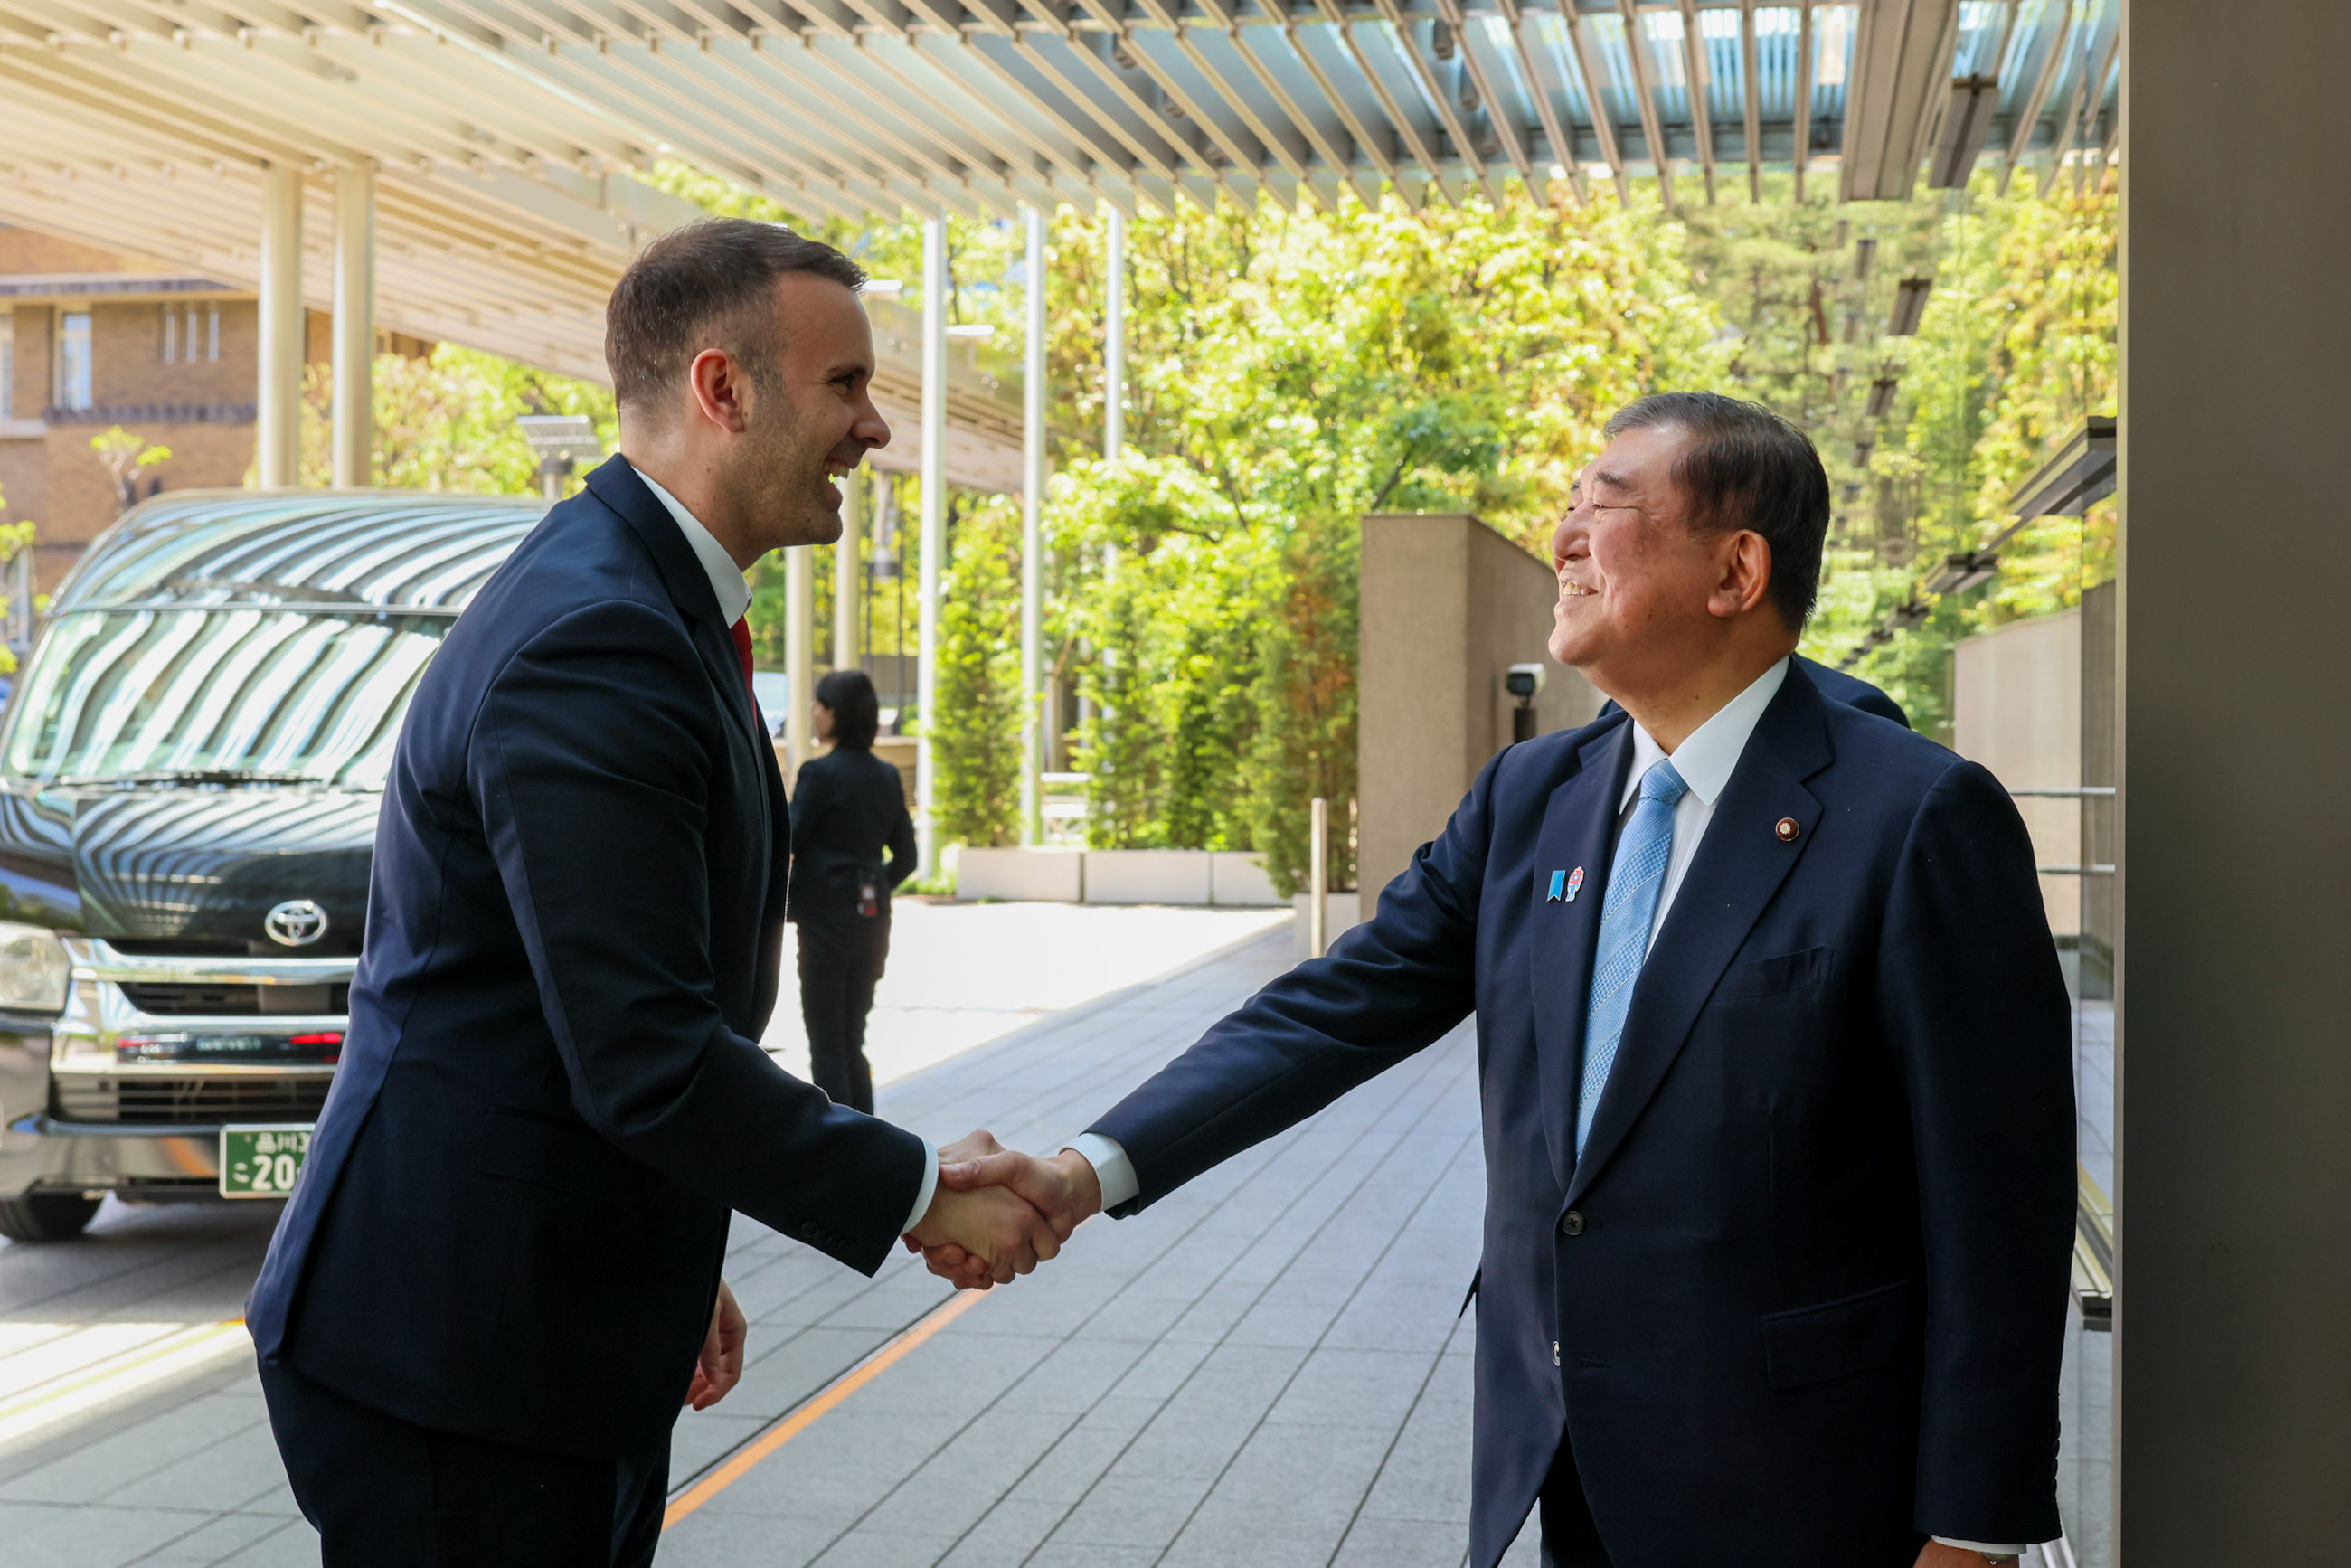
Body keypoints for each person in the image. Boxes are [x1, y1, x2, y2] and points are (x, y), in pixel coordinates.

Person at [925, 393, 2075, 1568]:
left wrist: (1973, 1530)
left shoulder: (1916, 816)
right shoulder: (1533, 800)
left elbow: (2000, 1205)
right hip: (1568, 1456)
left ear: (1737, 569)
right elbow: (1332, 1009)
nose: (1567, 535)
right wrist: (1080, 1172)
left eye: (1608, 505)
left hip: (1808, 1486)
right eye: (1568, 503)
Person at [244, 219, 1059, 1568]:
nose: (878, 430)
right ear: (722, 388)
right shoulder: (599, 634)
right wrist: (920, 1190)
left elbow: (577, 1013)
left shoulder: (648, 605)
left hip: (539, 1318)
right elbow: (644, 1048)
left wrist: (664, 1257)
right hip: (457, 1359)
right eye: (849, 385)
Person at [789, 667, 915, 1114]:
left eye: (819, 705)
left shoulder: (819, 774)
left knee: (826, 1043)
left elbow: (788, 837)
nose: (813, 713)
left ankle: (841, 1151)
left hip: (824, 921)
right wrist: (874, 882)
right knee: (852, 1038)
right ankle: (868, 1138)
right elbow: (907, 857)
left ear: (834, 715)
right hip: (872, 921)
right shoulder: (886, 775)